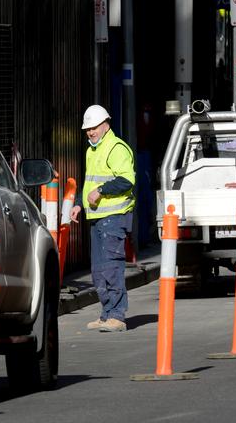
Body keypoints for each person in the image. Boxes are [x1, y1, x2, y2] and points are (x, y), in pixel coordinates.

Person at [70, 104, 136, 332]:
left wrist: (101, 192)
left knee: (111, 267)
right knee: (98, 270)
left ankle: (117, 315)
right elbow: (90, 181)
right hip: (98, 218)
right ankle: (106, 313)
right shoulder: (92, 150)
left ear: (106, 124)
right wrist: (79, 204)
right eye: (87, 129)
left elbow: (127, 181)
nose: (90, 132)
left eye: (94, 127)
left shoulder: (117, 148)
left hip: (114, 218)